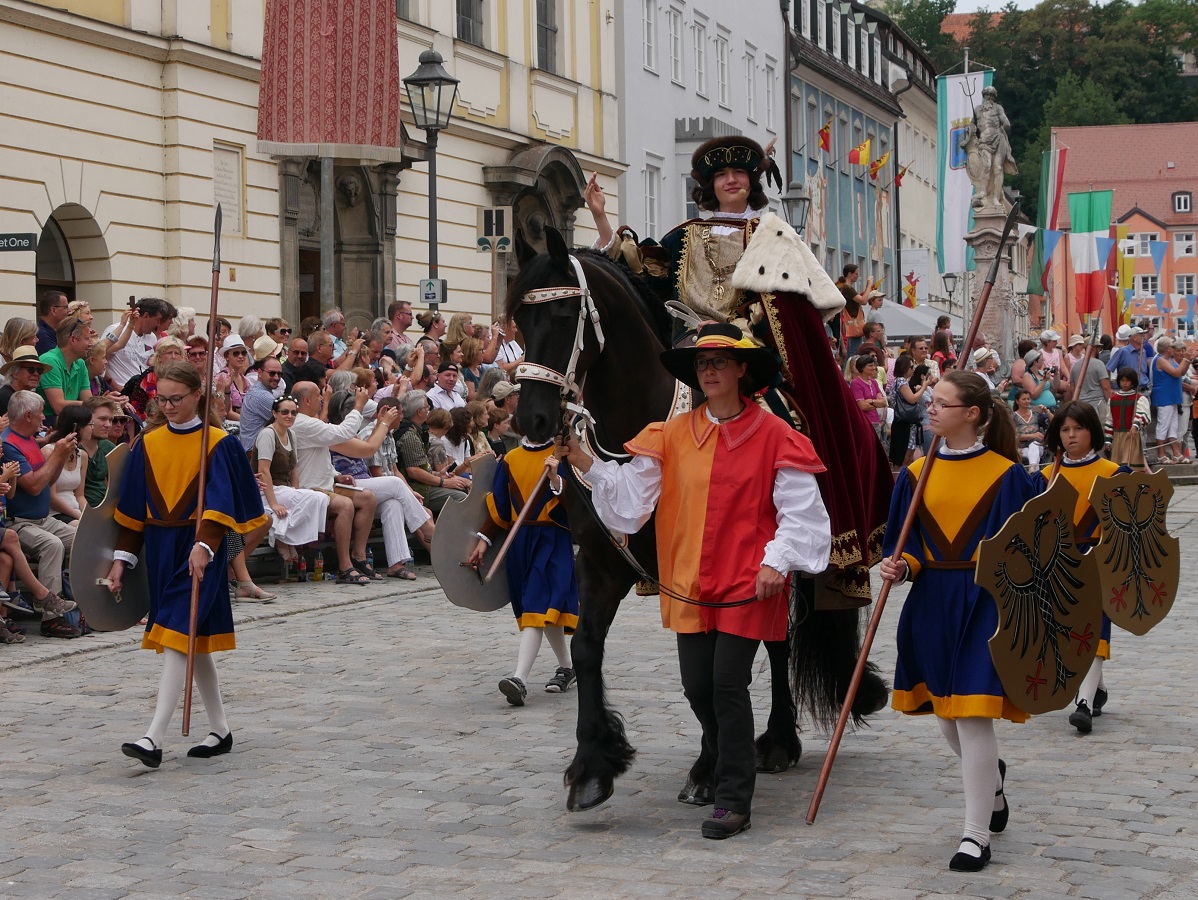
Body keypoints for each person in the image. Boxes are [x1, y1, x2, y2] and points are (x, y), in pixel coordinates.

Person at [558, 323, 832, 839]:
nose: (708, 371)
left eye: (719, 362)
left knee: (727, 684)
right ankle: (730, 756)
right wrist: (584, 462)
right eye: (701, 365)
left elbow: (803, 513)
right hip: (689, 582)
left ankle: (733, 797)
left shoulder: (776, 436)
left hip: (750, 583)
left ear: (741, 370)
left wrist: (779, 560)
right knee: (696, 686)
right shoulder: (673, 434)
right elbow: (630, 501)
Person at [880, 370, 1041, 871]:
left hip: (986, 603)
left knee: (972, 715)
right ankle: (992, 785)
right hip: (931, 604)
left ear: (971, 414)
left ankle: (975, 836)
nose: (930, 408)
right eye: (931, 400)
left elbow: (1027, 548)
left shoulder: (1007, 474)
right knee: (947, 716)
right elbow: (905, 544)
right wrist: (900, 564)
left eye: (942, 403)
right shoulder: (914, 472)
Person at [106, 361, 267, 767]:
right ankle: (221, 729)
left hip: (200, 550)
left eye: (176, 398)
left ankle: (152, 737)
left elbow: (220, 501)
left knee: (178, 631)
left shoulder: (218, 443)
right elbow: (133, 509)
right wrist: (121, 562)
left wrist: (206, 546)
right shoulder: (149, 442)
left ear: (198, 395)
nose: (169, 405)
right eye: (162, 398)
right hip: (161, 547)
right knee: (193, 641)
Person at [1041, 401, 1129, 735]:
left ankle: (1083, 702)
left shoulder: (1113, 473)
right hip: (1058, 563)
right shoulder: (1047, 477)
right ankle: (1099, 688)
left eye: (1078, 428)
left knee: (1093, 629)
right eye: (1065, 429)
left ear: (1092, 431)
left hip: (1097, 561)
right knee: (1065, 631)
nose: (1072, 435)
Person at [467, 439, 578, 705]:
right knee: (540, 609)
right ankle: (568, 667)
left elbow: (575, 502)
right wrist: (485, 539)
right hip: (520, 542)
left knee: (536, 605)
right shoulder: (510, 459)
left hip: (551, 538)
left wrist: (555, 480)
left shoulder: (560, 454)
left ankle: (520, 679)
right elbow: (501, 507)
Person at [2, 390, 82, 636]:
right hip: (20, 522)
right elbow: (35, 486)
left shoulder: (28, 439)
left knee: (83, 541)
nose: (43, 419)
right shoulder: (10, 444)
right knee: (52, 545)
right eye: (39, 414)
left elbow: (48, 482)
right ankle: (52, 617)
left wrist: (59, 457)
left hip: (43, 519)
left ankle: (91, 608)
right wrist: (56, 454)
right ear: (27, 416)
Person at [252, 395, 330, 567]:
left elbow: (294, 468)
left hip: (284, 490)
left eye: (293, 413)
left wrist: (296, 491)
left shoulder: (291, 435)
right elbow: (263, 470)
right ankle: (282, 538)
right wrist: (273, 504)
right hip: (264, 491)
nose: (290, 416)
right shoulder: (267, 434)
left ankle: (284, 536)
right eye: (285, 412)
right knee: (316, 498)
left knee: (321, 498)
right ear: (275, 413)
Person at [397, 390, 470, 515]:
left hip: (420, 482)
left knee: (461, 487)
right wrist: (443, 482)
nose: (429, 410)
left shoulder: (416, 431)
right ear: (419, 412)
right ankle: (450, 533)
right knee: (460, 497)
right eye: (427, 407)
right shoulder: (410, 435)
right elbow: (413, 471)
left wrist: (437, 474)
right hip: (416, 488)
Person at [101, 297, 172, 390]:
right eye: (157, 320)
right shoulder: (116, 330)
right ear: (146, 316)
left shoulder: (152, 338)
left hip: (142, 393)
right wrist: (115, 386)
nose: (158, 325)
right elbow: (100, 357)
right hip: (119, 392)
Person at [38, 315, 94, 420]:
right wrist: (95, 404)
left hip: (68, 419)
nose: (91, 343)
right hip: (48, 421)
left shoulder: (80, 364)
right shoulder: (50, 361)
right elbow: (58, 407)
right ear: (73, 339)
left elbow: (88, 401)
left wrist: (105, 402)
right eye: (87, 339)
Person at [43, 406, 92, 523]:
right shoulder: (49, 451)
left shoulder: (82, 455)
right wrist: (79, 517)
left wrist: (88, 515)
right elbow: (51, 497)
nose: (92, 428)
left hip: (74, 511)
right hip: (55, 513)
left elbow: (80, 495)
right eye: (90, 424)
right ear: (78, 427)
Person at [1149, 336, 1191, 464]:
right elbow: (1176, 372)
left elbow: (1182, 372)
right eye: (1172, 347)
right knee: (1163, 426)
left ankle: (1176, 453)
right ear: (1167, 349)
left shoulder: (1170, 359)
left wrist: (1188, 360)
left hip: (1172, 397)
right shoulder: (1160, 360)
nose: (1174, 349)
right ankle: (1161, 454)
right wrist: (1185, 358)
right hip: (1164, 397)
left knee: (1173, 426)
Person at [126, 337, 185, 420]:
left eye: (177, 353)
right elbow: (155, 406)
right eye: (169, 353)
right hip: (150, 421)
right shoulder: (151, 376)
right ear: (159, 357)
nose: (173, 356)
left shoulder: (184, 376)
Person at [888, 355, 927, 469]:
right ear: (904, 368)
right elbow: (912, 399)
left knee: (907, 455)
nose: (913, 369)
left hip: (906, 423)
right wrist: (924, 387)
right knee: (903, 456)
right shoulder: (900, 381)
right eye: (911, 367)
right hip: (904, 424)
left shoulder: (902, 381)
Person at [1107, 367, 1150, 469]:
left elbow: (1143, 414)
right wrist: (1108, 440)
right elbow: (1109, 420)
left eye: (1127, 380)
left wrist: (1135, 425)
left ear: (1133, 381)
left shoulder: (1139, 398)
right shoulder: (1113, 399)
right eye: (1122, 380)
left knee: (1131, 465)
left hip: (1132, 436)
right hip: (1117, 437)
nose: (1125, 383)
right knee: (1117, 467)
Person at [81, 397, 119, 507]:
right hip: (77, 509)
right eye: (102, 419)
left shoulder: (109, 447)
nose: (108, 425)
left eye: (110, 420)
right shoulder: (71, 446)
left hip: (105, 508)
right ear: (86, 419)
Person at [1069, 339, 1111, 428]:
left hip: (1081, 406)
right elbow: (1106, 387)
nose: (1099, 350)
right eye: (1098, 348)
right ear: (1093, 348)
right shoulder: (1099, 364)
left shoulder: (1075, 366)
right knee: (1099, 434)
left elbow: (1072, 387)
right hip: (1098, 406)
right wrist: (1111, 404)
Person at [0, 347, 50, 415]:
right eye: (31, 370)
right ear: (14, 373)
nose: (36, 374)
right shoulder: (3, 397)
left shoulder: (33, 398)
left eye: (39, 370)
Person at [849, 355, 887, 443]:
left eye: (874, 365)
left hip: (876, 421)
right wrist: (876, 403)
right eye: (870, 365)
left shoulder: (874, 382)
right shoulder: (856, 383)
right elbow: (862, 406)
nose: (874, 368)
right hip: (864, 422)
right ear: (862, 367)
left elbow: (883, 402)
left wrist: (871, 401)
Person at [1011, 388, 1050, 473]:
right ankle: (1035, 471)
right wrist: (1033, 435)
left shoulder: (1035, 413)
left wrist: (1047, 411)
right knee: (1031, 453)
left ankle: (1032, 468)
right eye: (1024, 399)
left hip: (1037, 444)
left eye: (1028, 399)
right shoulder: (1013, 417)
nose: (1027, 401)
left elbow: (1054, 422)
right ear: (1017, 401)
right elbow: (1014, 437)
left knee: (1034, 445)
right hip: (1022, 447)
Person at [1106, 325, 1154, 390]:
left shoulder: (1143, 351)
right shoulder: (1123, 351)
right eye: (1141, 335)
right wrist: (1109, 387)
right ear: (1134, 338)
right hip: (1130, 391)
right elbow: (1108, 369)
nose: (1144, 338)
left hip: (1144, 389)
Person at [35, 290, 71, 355]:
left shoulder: (57, 332)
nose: (69, 311)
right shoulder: (42, 335)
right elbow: (60, 358)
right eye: (65, 307)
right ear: (53, 310)